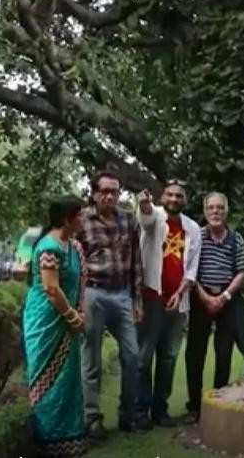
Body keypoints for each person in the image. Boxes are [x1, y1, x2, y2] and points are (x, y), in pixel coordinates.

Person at [76, 171, 147, 436]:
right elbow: (74, 261)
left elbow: (136, 262)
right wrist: (78, 301)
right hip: (93, 293)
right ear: (94, 193)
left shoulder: (128, 219)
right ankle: (91, 418)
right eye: (104, 191)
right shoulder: (82, 220)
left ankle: (128, 416)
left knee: (132, 355)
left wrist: (137, 299)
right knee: (91, 357)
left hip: (122, 295)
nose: (110, 196)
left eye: (114, 192)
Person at [22, 196, 88, 457]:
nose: (83, 220)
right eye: (80, 215)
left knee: (68, 377)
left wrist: (80, 311)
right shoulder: (49, 247)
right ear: (67, 219)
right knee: (47, 378)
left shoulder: (74, 246)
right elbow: (51, 288)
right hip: (45, 320)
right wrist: (73, 318)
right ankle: (48, 440)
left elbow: (80, 280)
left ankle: (69, 437)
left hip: (68, 317)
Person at [136, 180, 201, 427]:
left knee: (169, 357)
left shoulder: (192, 228)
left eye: (179, 196)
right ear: (162, 196)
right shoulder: (155, 218)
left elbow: (192, 267)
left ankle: (160, 410)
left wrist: (181, 291)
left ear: (185, 200)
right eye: (170, 194)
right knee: (144, 357)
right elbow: (146, 218)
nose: (174, 199)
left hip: (178, 303)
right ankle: (140, 411)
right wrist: (144, 205)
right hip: (151, 298)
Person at [185, 192, 244, 422]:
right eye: (211, 208)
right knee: (195, 353)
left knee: (224, 352)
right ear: (204, 211)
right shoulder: (197, 237)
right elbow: (189, 270)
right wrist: (204, 297)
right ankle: (194, 407)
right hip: (200, 296)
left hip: (227, 299)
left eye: (219, 208)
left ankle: (218, 403)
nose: (215, 212)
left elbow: (242, 272)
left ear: (226, 211)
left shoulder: (236, 238)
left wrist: (223, 297)